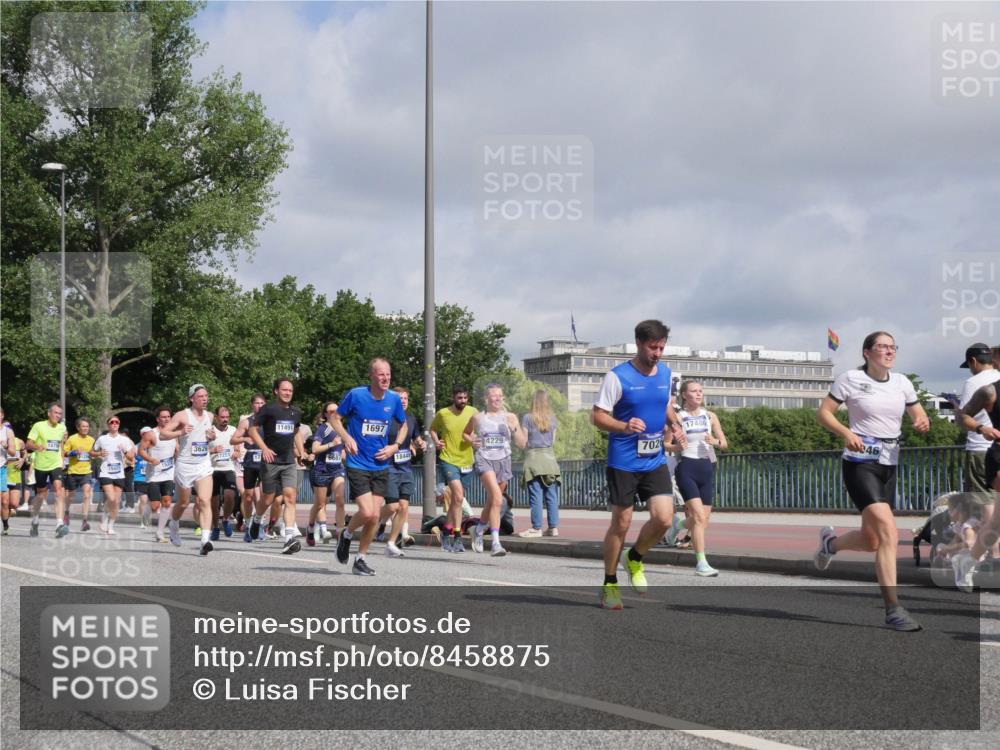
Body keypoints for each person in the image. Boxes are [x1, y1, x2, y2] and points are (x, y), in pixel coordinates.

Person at [814, 331, 930, 631]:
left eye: (893, 347)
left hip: (889, 462)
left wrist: (921, 421)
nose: (889, 351)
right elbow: (824, 414)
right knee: (889, 532)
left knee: (873, 539)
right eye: (883, 347)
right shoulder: (850, 379)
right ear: (867, 352)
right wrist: (847, 434)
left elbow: (918, 413)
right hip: (860, 463)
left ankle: (831, 544)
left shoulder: (902, 382)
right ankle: (893, 609)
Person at [592, 320, 685, 610]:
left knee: (665, 519)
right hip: (623, 461)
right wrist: (623, 424)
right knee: (621, 523)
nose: (657, 353)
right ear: (638, 343)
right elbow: (597, 416)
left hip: (654, 458)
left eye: (661, 347)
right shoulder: (618, 377)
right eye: (652, 347)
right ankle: (609, 583)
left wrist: (675, 423)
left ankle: (634, 557)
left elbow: (663, 403)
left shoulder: (666, 374)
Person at [332, 358, 408, 576]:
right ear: (372, 376)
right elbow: (335, 418)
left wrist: (394, 446)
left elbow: (403, 425)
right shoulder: (356, 395)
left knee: (375, 517)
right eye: (381, 374)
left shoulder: (393, 399)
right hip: (357, 462)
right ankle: (346, 534)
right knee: (366, 512)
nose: (386, 378)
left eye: (388, 374)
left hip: (381, 464)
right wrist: (346, 437)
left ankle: (360, 559)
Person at [662, 380, 728, 576]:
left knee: (703, 520)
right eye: (693, 391)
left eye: (700, 391)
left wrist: (714, 441)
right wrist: (676, 447)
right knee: (698, 516)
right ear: (684, 395)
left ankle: (678, 525)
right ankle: (701, 562)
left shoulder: (710, 416)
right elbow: (665, 444)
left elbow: (724, 443)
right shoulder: (677, 418)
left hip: (706, 468)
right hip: (686, 468)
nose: (698, 394)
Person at [952, 369, 1000, 591]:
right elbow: (961, 416)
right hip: (998, 457)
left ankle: (967, 561)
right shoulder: (990, 392)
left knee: (997, 523)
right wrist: (982, 428)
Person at [465, 384, 525, 557]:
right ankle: (496, 543)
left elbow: (521, 443)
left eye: (500, 395)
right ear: (486, 399)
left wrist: (514, 428)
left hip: (504, 461)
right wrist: (472, 441)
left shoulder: (510, 417)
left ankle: (478, 529)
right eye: (494, 395)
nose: (498, 398)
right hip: (484, 460)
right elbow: (466, 433)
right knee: (498, 499)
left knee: (492, 501)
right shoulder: (478, 418)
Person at [158, 384, 218, 555]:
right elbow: (163, 434)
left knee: (205, 501)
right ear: (192, 398)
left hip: (203, 464)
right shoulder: (182, 415)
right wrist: (180, 432)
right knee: (183, 502)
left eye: (206, 396)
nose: (205, 399)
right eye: (200, 396)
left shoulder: (210, 416)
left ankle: (205, 540)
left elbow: (207, 438)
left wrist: (211, 438)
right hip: (184, 465)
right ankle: (174, 524)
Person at [249, 378, 306, 555]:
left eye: (290, 390)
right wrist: (264, 448)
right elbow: (253, 429)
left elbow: (296, 431)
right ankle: (257, 519)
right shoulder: (268, 409)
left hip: (288, 460)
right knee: (268, 498)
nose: (288, 393)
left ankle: (288, 538)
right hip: (270, 460)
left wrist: (301, 451)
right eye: (284, 390)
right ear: (276, 391)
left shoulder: (295, 412)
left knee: (290, 497)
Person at [430, 385, 477, 553]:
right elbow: (432, 429)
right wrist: (437, 442)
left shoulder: (473, 412)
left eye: (465, 398)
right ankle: (457, 537)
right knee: (458, 496)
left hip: (467, 460)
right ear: (453, 398)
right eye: (459, 398)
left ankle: (444, 532)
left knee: (456, 501)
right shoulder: (443, 413)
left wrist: (475, 440)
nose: (462, 401)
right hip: (448, 459)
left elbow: (477, 432)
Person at [379, 387, 424, 556]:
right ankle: (376, 519)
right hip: (388, 467)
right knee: (392, 506)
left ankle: (395, 540)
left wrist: (421, 444)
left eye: (406, 398)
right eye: (400, 398)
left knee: (403, 506)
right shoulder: (385, 417)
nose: (403, 401)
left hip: (405, 467)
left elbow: (416, 438)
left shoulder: (411, 418)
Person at [518, 389, 561, 538]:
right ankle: (553, 528)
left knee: (535, 495)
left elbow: (524, 442)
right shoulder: (553, 419)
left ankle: (536, 528)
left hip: (533, 459)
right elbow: (553, 441)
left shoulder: (527, 418)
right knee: (551, 495)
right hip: (550, 458)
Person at [959, 343, 1000, 494]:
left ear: (973, 361)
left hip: (981, 448)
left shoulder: (974, 383)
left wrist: (980, 428)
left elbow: (963, 417)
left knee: (982, 505)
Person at [27, 403, 68, 538]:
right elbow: (28, 444)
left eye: (60, 414)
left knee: (58, 490)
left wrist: (62, 461)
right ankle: (35, 520)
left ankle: (59, 524)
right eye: (55, 413)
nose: (58, 415)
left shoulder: (62, 428)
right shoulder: (39, 426)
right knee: (41, 495)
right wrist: (37, 446)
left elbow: (61, 446)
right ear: (49, 413)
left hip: (55, 464)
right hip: (40, 465)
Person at [307, 403, 344, 547]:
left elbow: (342, 452)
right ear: (326, 414)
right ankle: (311, 527)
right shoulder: (323, 429)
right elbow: (315, 449)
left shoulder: (342, 430)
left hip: (337, 469)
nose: (335, 413)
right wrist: (331, 444)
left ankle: (340, 534)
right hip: (322, 470)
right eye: (331, 411)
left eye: (337, 410)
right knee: (320, 503)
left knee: (340, 500)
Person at [139, 406, 178, 543]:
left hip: (168, 474)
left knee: (167, 502)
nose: (166, 419)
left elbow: (177, 450)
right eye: (163, 417)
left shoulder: (173, 433)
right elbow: (141, 451)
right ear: (157, 419)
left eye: (168, 416)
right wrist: (150, 459)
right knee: (155, 506)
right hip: (154, 475)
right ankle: (146, 512)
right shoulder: (151, 434)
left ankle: (160, 533)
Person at [92, 416, 136, 535]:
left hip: (119, 473)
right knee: (111, 498)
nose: (114, 424)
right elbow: (92, 452)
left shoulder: (124, 440)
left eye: (117, 422)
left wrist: (125, 451)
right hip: (106, 472)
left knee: (116, 501)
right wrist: (99, 453)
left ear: (119, 424)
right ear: (108, 425)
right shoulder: (102, 439)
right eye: (112, 422)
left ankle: (110, 526)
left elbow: (131, 458)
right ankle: (104, 519)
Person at [231, 394, 266, 542]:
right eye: (256, 403)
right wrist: (245, 438)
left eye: (262, 403)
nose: (259, 405)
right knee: (249, 495)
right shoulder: (246, 422)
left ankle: (260, 525)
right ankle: (248, 523)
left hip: (266, 459)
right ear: (252, 405)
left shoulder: (270, 420)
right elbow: (232, 439)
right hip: (251, 460)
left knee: (264, 496)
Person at [209, 405, 238, 540]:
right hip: (213, 470)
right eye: (222, 417)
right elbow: (201, 451)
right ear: (216, 417)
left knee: (230, 496)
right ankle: (215, 527)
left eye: (227, 417)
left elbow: (237, 448)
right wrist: (213, 451)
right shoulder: (210, 431)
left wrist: (236, 453)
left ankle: (226, 519)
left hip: (229, 469)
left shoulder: (233, 430)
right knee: (214, 503)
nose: (225, 419)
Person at [63, 418, 97, 531]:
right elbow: (64, 453)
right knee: (71, 496)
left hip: (86, 472)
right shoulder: (72, 439)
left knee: (87, 495)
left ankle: (84, 521)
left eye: (87, 426)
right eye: (83, 426)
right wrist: (73, 452)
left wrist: (97, 454)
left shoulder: (92, 440)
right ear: (78, 427)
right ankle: (66, 513)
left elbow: (94, 453)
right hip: (73, 471)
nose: (86, 428)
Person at [4, 432, 26, 535]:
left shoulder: (19, 442)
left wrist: (22, 459)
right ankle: (5, 525)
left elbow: (25, 452)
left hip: (15, 476)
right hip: (3, 476)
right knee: (5, 502)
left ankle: (6, 516)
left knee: (14, 504)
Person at [0, 412, 15, 534]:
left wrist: (5, 447)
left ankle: (5, 526)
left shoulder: (7, 432)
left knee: (5, 502)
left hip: (2, 469)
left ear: (2, 415)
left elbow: (13, 452)